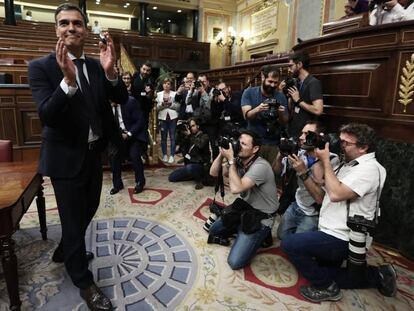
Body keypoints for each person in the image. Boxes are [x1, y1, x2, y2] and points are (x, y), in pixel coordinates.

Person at [28, 3, 128, 310]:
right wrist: (67, 83)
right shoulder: (41, 67)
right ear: (56, 29)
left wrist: (112, 75)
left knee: (89, 208)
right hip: (64, 159)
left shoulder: (98, 66)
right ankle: (84, 283)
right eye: (64, 23)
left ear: (85, 30)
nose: (71, 27)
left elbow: (120, 98)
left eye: (77, 23)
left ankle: (65, 249)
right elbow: (47, 115)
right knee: (72, 222)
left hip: (93, 155)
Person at [281, 123, 396, 303]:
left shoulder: (370, 170)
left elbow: (335, 194)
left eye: (346, 143)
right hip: (329, 228)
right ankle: (378, 275)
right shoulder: (349, 164)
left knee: (290, 244)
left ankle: (327, 288)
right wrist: (313, 159)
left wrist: (326, 160)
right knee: (320, 268)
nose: (340, 145)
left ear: (363, 147)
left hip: (344, 236)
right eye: (340, 141)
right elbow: (321, 187)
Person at [208, 130, 279, 269]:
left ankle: (263, 234)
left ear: (255, 149)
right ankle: (242, 228)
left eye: (243, 144)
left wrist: (231, 161)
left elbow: (236, 189)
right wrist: (222, 154)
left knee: (235, 262)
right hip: (245, 208)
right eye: (238, 142)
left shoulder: (261, 166)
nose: (238, 146)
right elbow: (213, 173)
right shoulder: (239, 161)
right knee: (214, 230)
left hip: (262, 215)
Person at [274, 121, 339, 240]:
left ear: (319, 137)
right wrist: (281, 153)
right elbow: (277, 172)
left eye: (306, 134)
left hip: (314, 212)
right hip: (297, 203)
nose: (300, 137)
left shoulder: (331, 160)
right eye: (301, 133)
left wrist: (303, 171)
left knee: (296, 244)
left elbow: (320, 199)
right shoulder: (300, 153)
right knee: (281, 236)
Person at [241, 65, 288, 166]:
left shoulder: (281, 96)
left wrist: (280, 113)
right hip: (254, 143)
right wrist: (258, 109)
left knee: (273, 174)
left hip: (273, 143)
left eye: (275, 83)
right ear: (263, 77)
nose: (272, 85)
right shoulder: (249, 92)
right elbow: (247, 116)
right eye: (270, 81)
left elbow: (284, 121)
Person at [109, 96, 148, 195]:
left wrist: (129, 134)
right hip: (117, 136)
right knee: (114, 158)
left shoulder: (130, 102)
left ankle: (140, 182)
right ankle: (117, 185)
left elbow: (140, 121)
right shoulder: (106, 106)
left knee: (134, 156)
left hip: (132, 135)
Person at [282, 51, 323, 138]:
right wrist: (287, 94)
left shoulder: (313, 82)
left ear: (299, 64)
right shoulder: (296, 82)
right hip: (293, 129)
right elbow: (291, 108)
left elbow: (318, 110)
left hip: (305, 133)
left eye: (291, 66)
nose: (289, 70)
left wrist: (299, 100)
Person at [169, 117, 211, 189]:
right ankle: (192, 176)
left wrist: (190, 136)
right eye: (190, 126)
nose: (191, 128)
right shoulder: (188, 137)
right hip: (190, 164)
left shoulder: (204, 136)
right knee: (172, 177)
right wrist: (178, 130)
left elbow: (200, 145)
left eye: (193, 126)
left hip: (201, 165)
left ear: (198, 126)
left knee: (189, 168)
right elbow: (177, 143)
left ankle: (200, 179)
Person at [156, 78, 180, 163]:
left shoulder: (175, 94)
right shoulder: (158, 94)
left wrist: (170, 104)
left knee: (173, 137)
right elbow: (156, 108)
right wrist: (162, 104)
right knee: (163, 138)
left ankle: (172, 155)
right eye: (165, 83)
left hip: (173, 118)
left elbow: (178, 107)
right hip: (162, 118)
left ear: (171, 85)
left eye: (168, 83)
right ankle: (165, 155)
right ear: (162, 85)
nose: (166, 85)